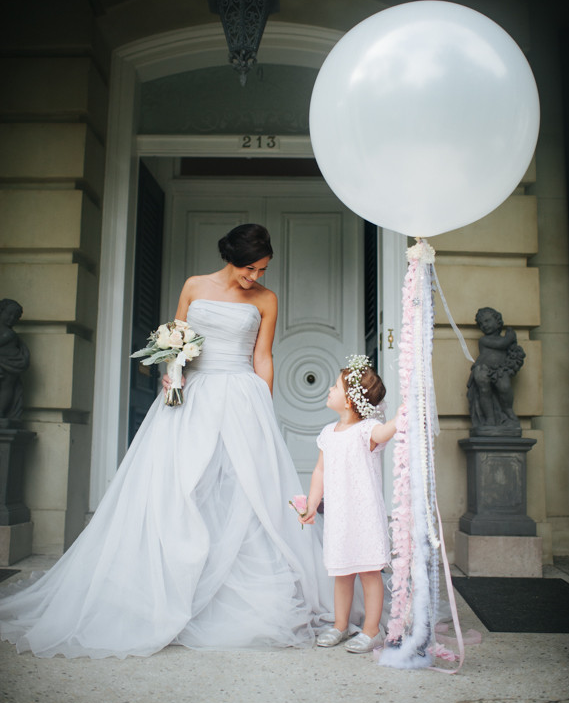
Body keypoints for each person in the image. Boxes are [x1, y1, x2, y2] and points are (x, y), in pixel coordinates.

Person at [0, 224, 334, 658]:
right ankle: (170, 586)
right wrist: (172, 372)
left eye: (262, 270)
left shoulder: (266, 300)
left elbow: (263, 356)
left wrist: (263, 409)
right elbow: (177, 339)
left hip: (240, 396)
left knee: (247, 491)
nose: (255, 277)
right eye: (249, 268)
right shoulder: (195, 285)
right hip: (190, 397)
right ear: (230, 258)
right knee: (179, 486)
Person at [301, 355, 398, 654]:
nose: (329, 390)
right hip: (340, 515)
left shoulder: (367, 429)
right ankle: (340, 625)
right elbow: (320, 470)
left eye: (335, 386)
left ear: (350, 400)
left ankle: (371, 631)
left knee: (370, 572)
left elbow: (384, 432)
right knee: (342, 573)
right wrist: (312, 502)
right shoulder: (328, 434)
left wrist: (403, 416)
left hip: (365, 514)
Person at [467, 306, 525, 435]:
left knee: (505, 388)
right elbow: (502, 345)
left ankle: (508, 412)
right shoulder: (484, 340)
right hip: (483, 369)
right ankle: (490, 418)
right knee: (484, 391)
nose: (484, 325)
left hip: (500, 370)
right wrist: (510, 337)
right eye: (481, 324)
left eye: (487, 321)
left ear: (498, 321)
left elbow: (507, 347)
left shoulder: (503, 339)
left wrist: (510, 340)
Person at [0, 299, 30, 420]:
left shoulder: (9, 334)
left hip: (10, 363)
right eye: (9, 314)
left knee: (7, 387)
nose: (12, 318)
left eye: (15, 316)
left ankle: (1, 412)